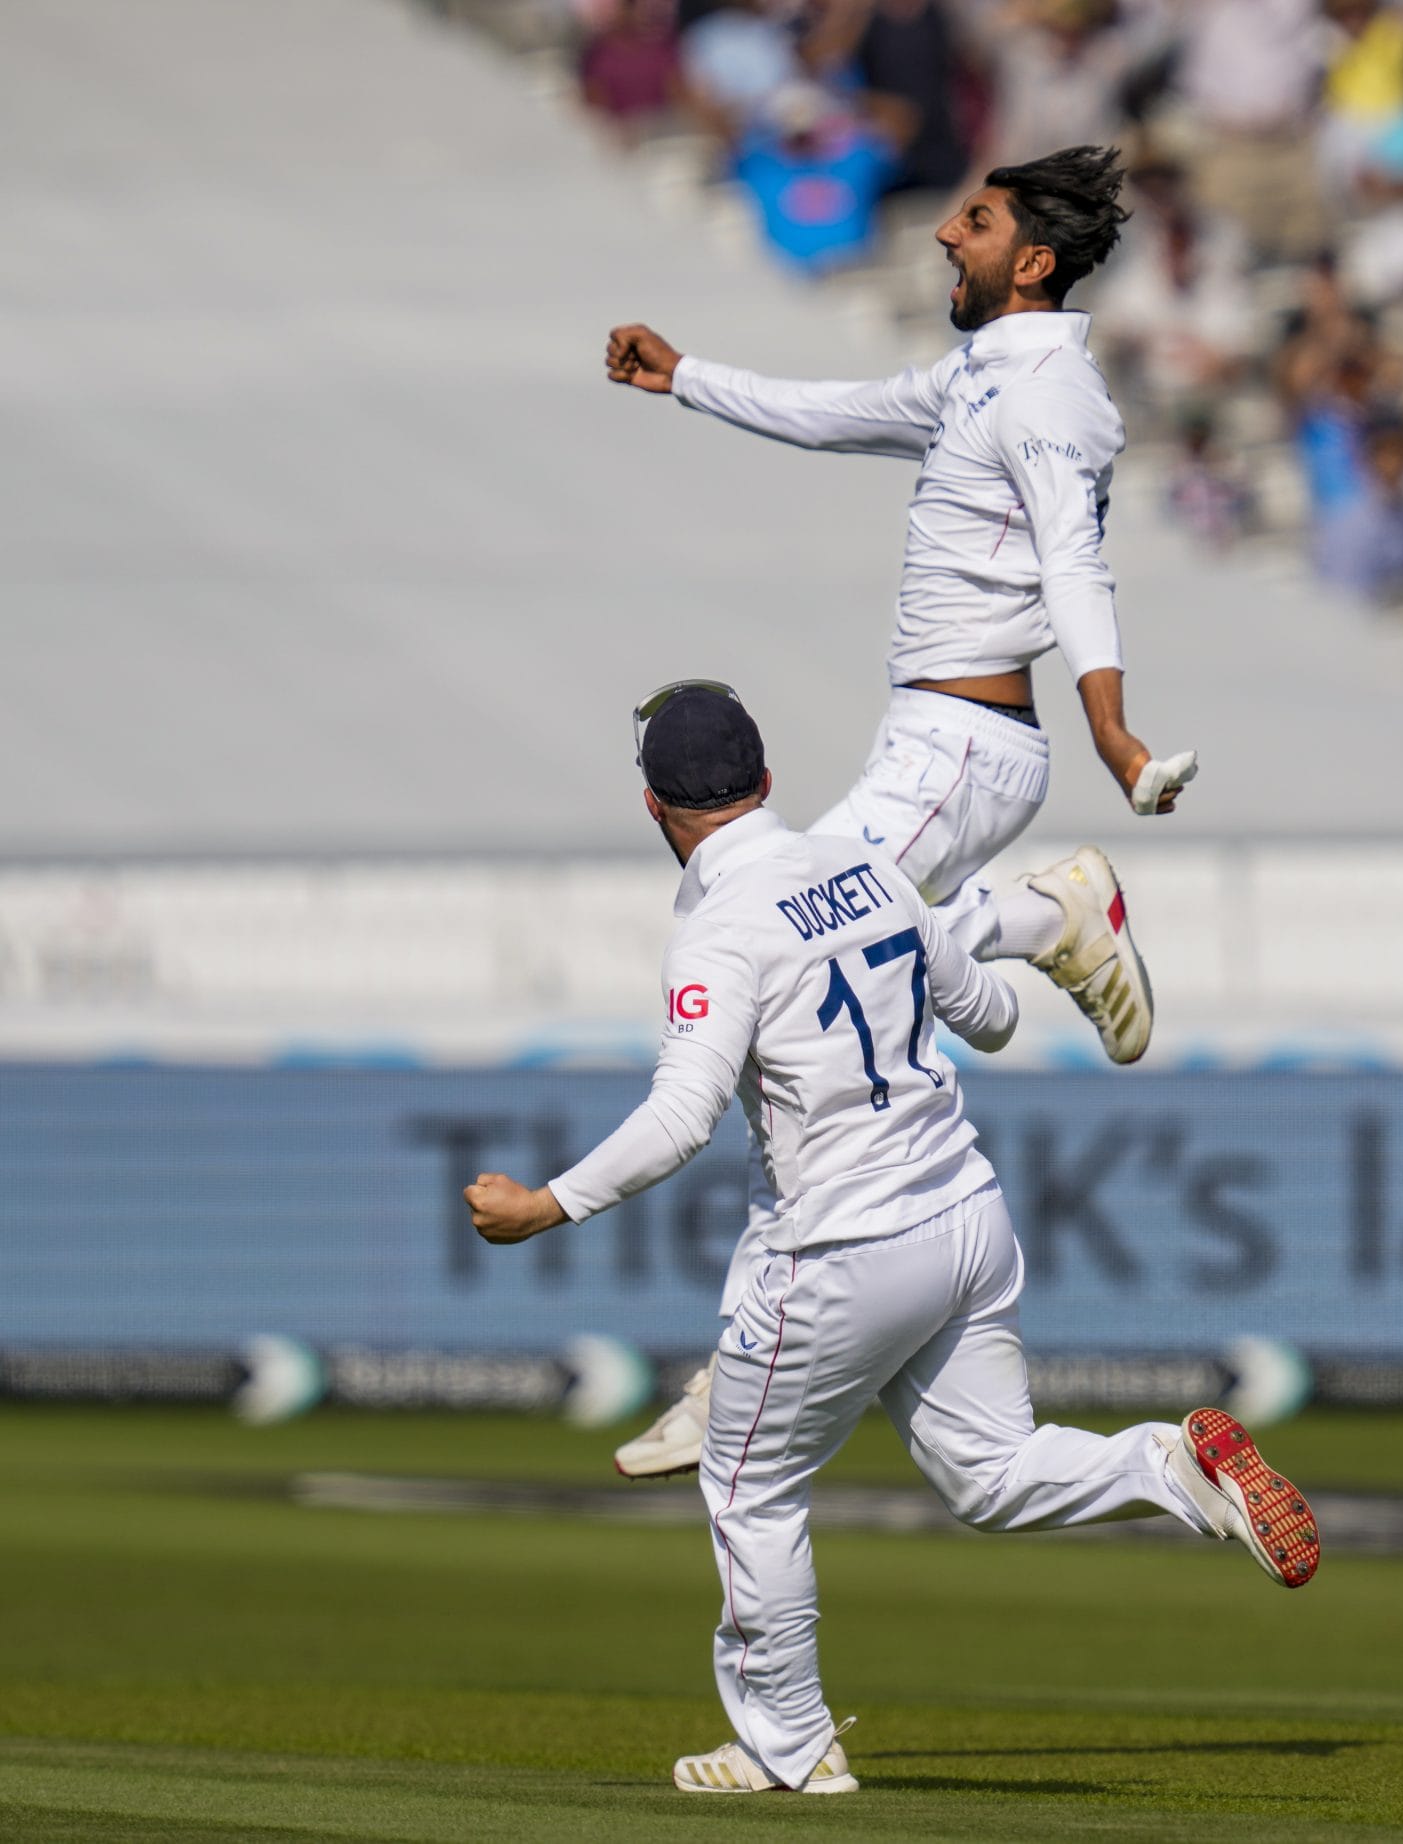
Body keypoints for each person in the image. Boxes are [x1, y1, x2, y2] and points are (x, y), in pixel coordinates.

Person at [462, 687, 1318, 1796]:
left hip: (838, 1248)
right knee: (992, 1473)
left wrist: (547, 1204)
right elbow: (995, 1017)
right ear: (765, 780)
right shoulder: (866, 869)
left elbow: (682, 1114)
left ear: (654, 804)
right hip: (963, 1213)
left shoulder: (720, 924)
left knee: (744, 1481)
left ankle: (791, 1742)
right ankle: (1166, 1463)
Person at [601, 146, 1195, 1480]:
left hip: (965, 745)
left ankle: (732, 1364)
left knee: (790, 960)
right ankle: (1039, 917)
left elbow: (1074, 564)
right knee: (831, 954)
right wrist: (685, 377)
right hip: (940, 741)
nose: (944, 234)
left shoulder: (1048, 396)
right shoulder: (990, 373)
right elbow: (841, 410)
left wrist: (1109, 718)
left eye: (973, 222)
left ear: (1030, 260)